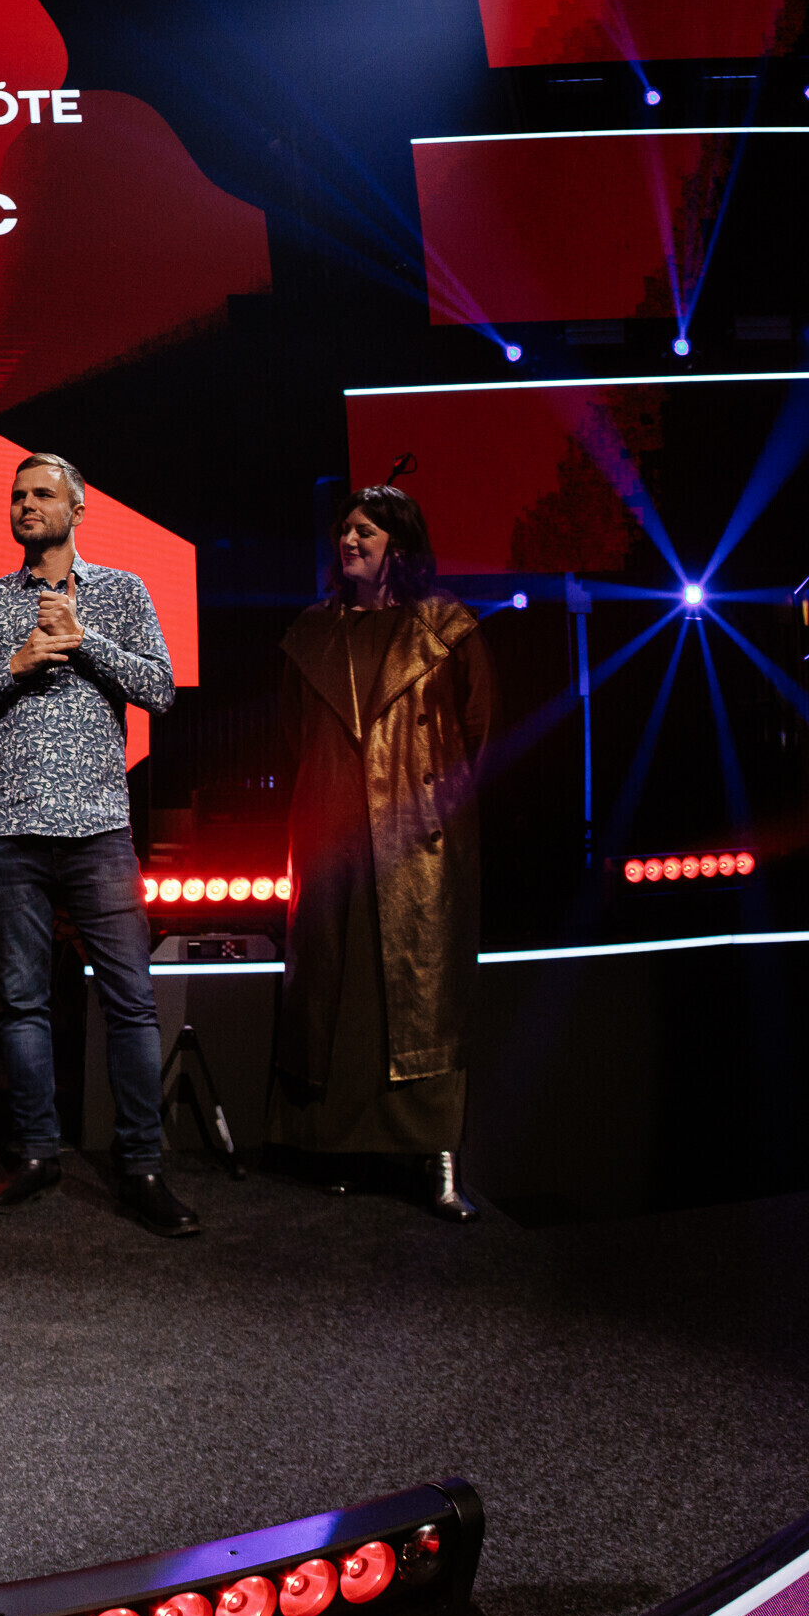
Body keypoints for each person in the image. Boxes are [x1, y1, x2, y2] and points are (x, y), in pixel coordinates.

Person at [0, 455, 197, 1236]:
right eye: (17, 495)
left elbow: (160, 689)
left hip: (99, 831)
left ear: (77, 509)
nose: (26, 504)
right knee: (24, 1003)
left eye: (42, 494)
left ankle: (141, 1165)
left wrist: (85, 643)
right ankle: (38, 1153)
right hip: (11, 832)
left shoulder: (122, 592)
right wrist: (15, 665)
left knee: (130, 1002)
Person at [273, 485, 489, 1222]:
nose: (350, 540)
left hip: (420, 836)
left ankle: (438, 1156)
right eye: (345, 529)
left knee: (424, 992)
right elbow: (295, 733)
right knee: (341, 988)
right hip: (334, 834)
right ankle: (340, 1144)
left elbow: (479, 729)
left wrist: (433, 805)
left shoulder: (446, 625)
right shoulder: (312, 631)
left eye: (365, 530)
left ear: (401, 542)